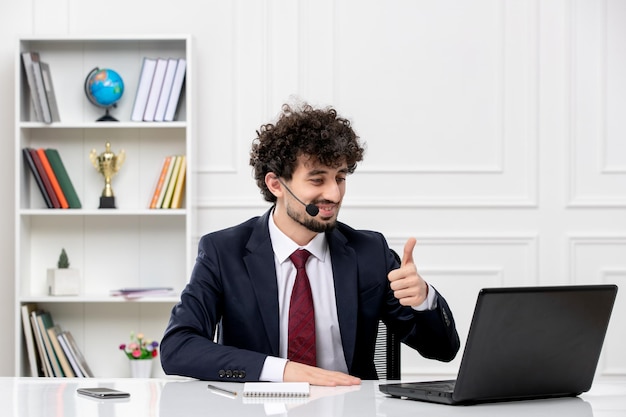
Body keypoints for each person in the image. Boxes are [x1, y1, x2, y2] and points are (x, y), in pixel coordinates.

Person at [160, 102, 460, 386]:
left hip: (350, 410)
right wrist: (283, 371)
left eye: (340, 178)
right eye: (318, 180)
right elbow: (178, 346)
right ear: (276, 184)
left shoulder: (370, 252)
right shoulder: (224, 252)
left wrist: (423, 299)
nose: (334, 194)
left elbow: (443, 350)